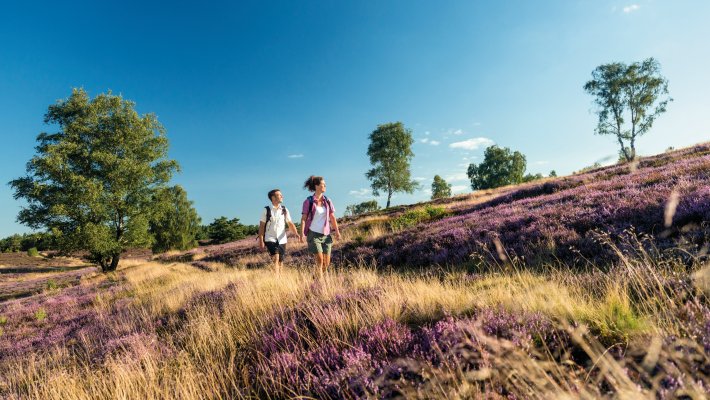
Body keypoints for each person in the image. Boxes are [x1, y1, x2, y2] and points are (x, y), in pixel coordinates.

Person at [300, 176, 341, 280]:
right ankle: (321, 283)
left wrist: (337, 231)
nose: (325, 186)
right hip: (313, 234)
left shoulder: (327, 200)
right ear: (316, 186)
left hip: (326, 235)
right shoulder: (308, 201)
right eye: (323, 184)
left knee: (326, 263)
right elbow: (304, 219)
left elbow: (332, 217)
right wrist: (302, 234)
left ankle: (315, 278)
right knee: (320, 259)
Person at [258, 189, 300, 273]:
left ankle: (279, 278)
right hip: (270, 238)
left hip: (282, 239)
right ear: (273, 197)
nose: (282, 196)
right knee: (276, 258)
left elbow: (290, 223)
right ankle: (276, 278)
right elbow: (262, 226)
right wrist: (261, 241)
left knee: (281, 260)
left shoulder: (284, 210)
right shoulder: (266, 210)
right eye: (279, 195)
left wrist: (296, 233)